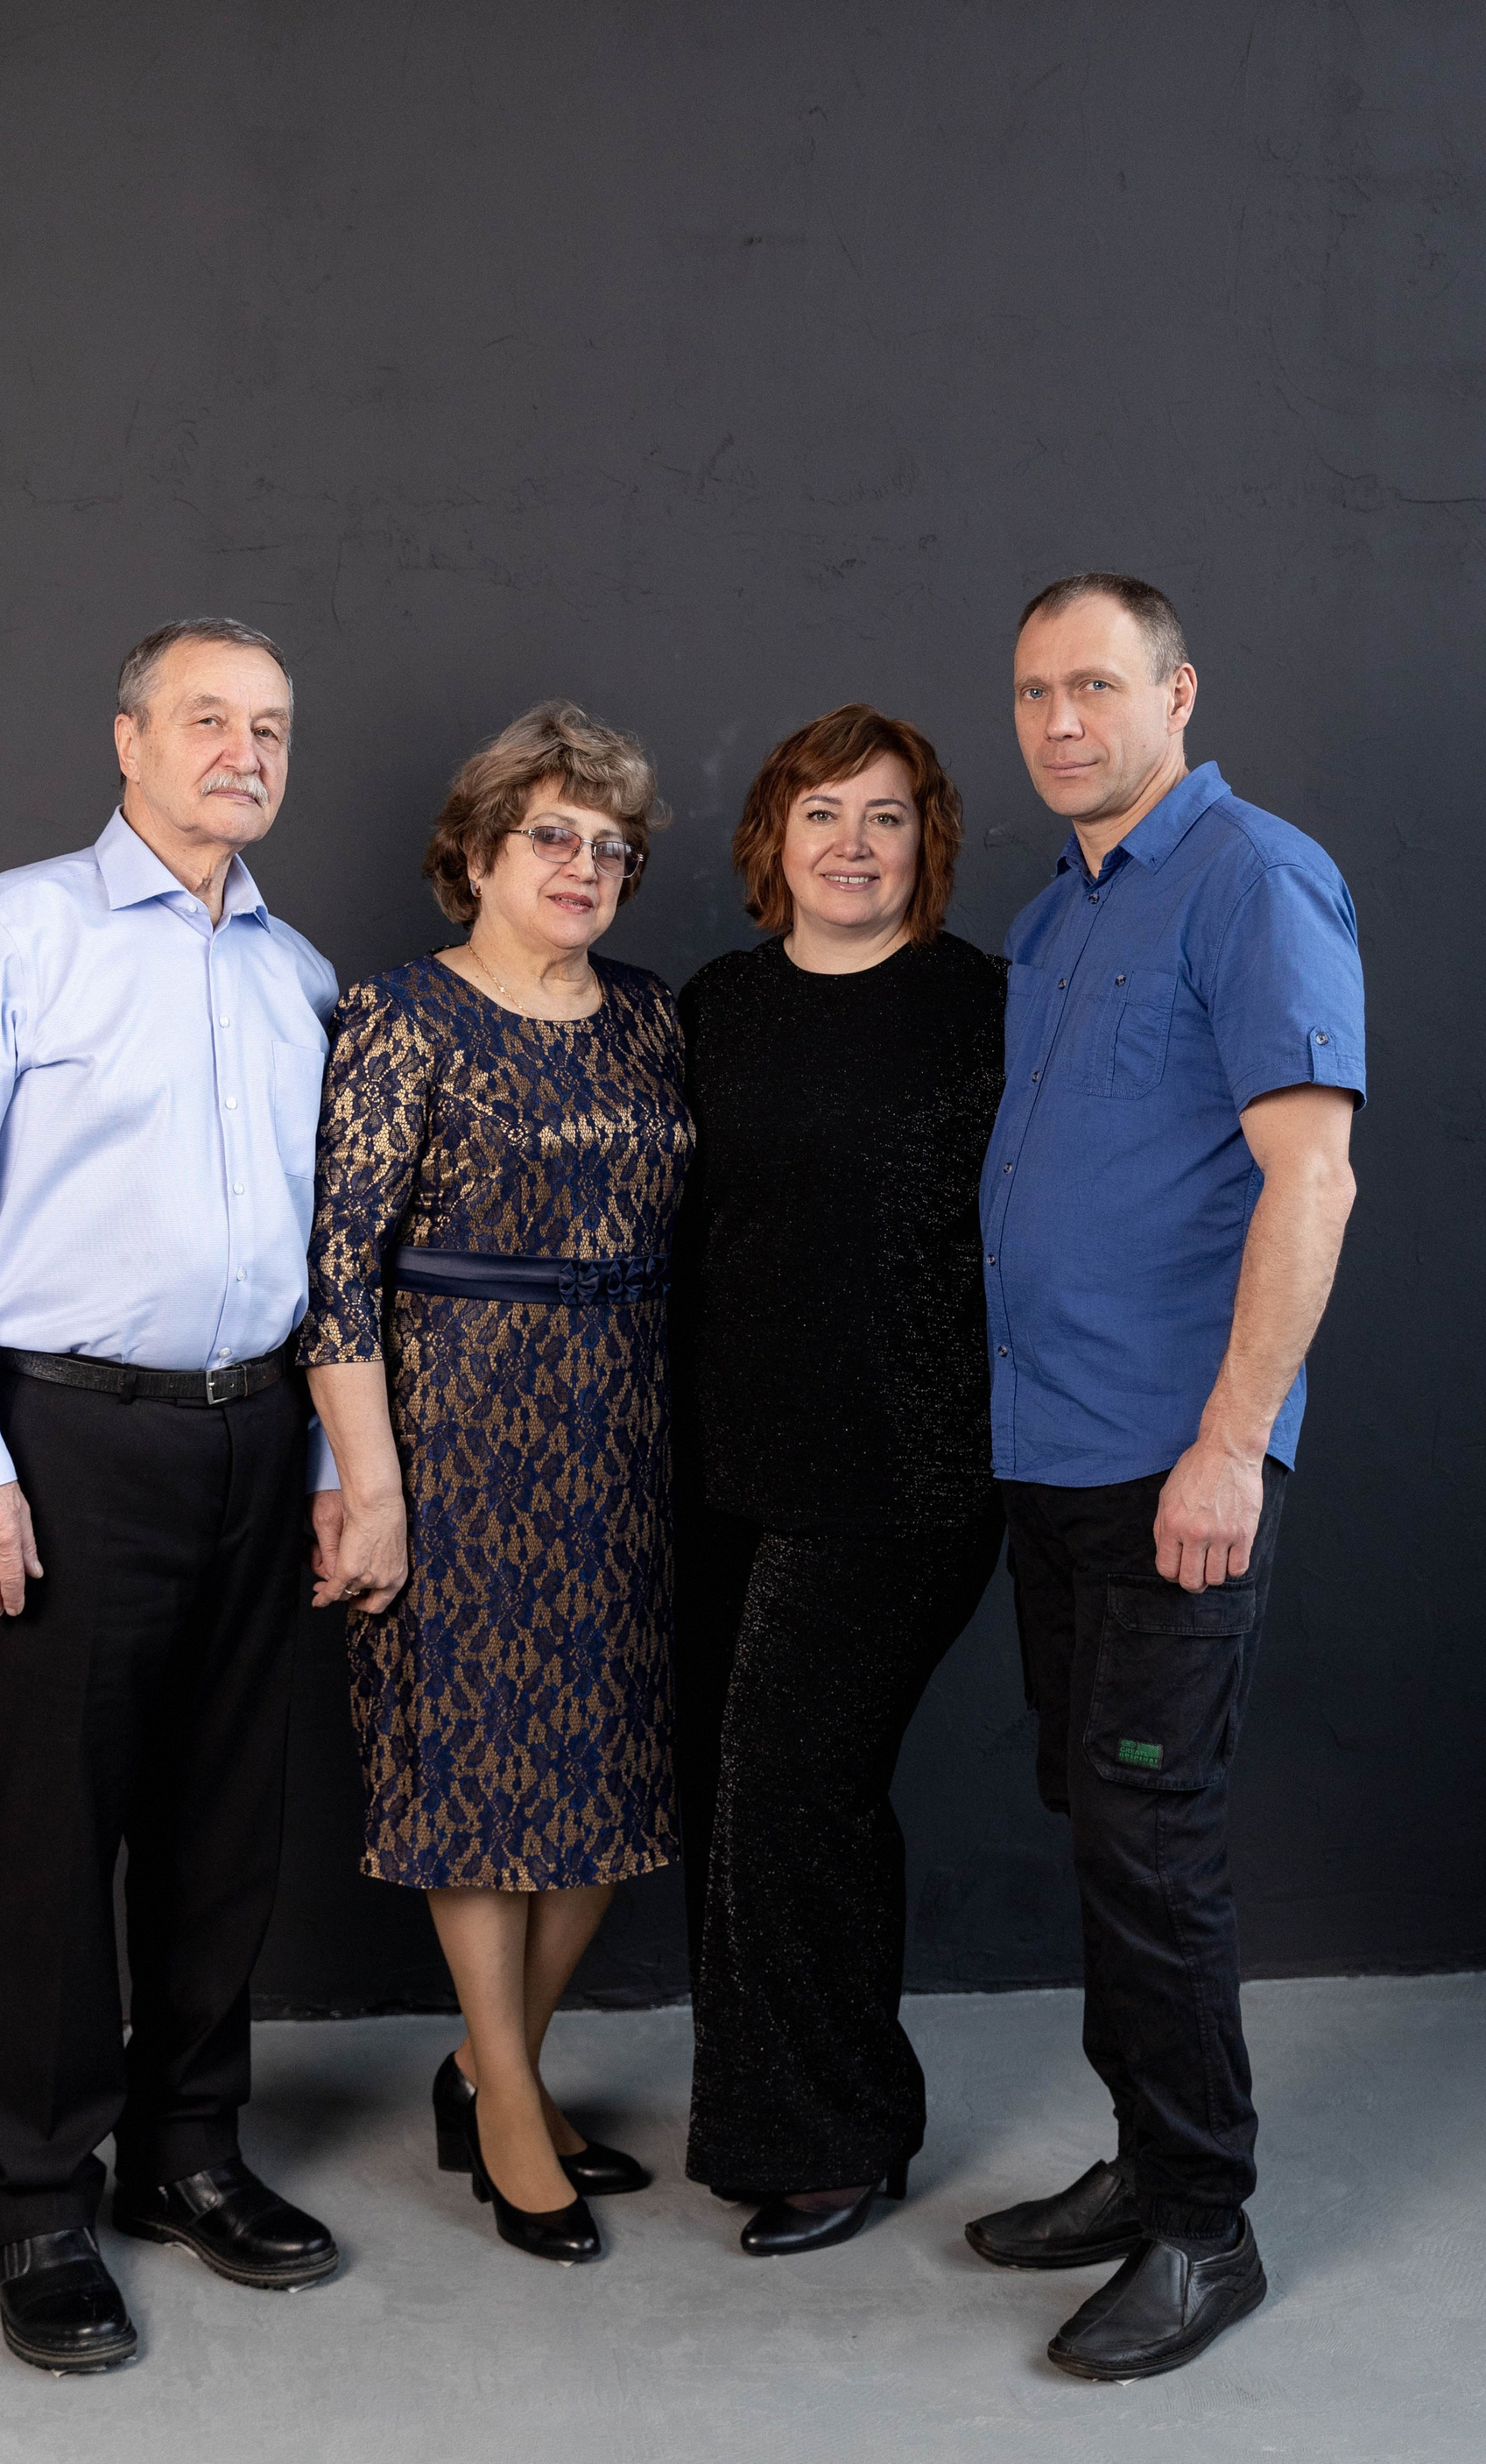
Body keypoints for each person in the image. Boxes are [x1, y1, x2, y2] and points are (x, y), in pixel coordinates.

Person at [0, 619, 342, 2374]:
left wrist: (328, 1464)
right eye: (206, 718)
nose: (242, 751)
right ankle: (37, 2196)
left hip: (255, 1435)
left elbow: (323, 1249)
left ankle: (187, 2151)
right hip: (66, 1439)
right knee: (58, 1834)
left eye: (269, 726)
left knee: (226, 1820)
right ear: (128, 740)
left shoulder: (300, 977)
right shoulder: (5, 935)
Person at [965, 574, 1363, 2380]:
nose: (1062, 721)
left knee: (1155, 1846)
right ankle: (1141, 2159)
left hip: (1173, 1469)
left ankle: (1206, 2226)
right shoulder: (1059, 914)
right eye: (1034, 692)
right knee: (1100, 1825)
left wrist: (1229, 1443)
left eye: (1097, 686)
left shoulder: (1255, 878)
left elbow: (1312, 1177)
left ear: (1177, 692)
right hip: (1051, 1457)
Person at [300, 701, 689, 2267]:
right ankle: (514, 2106)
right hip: (459, 1431)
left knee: (610, 1781)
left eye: (611, 846)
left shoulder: (653, 1015)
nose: (584, 864)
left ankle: (485, 2062)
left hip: (631, 1433)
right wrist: (372, 1486)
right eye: (552, 836)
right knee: (475, 1776)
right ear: (475, 853)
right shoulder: (401, 1015)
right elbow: (337, 1272)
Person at [672, 703, 1007, 2256]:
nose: (853, 843)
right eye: (823, 813)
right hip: (724, 1467)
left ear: (927, 841)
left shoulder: (984, 1007)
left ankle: (838, 2135)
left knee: (793, 1786)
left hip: (907, 1468)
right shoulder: (717, 1007)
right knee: (731, 1791)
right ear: (775, 838)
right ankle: (774, 2109)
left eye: (886, 815)